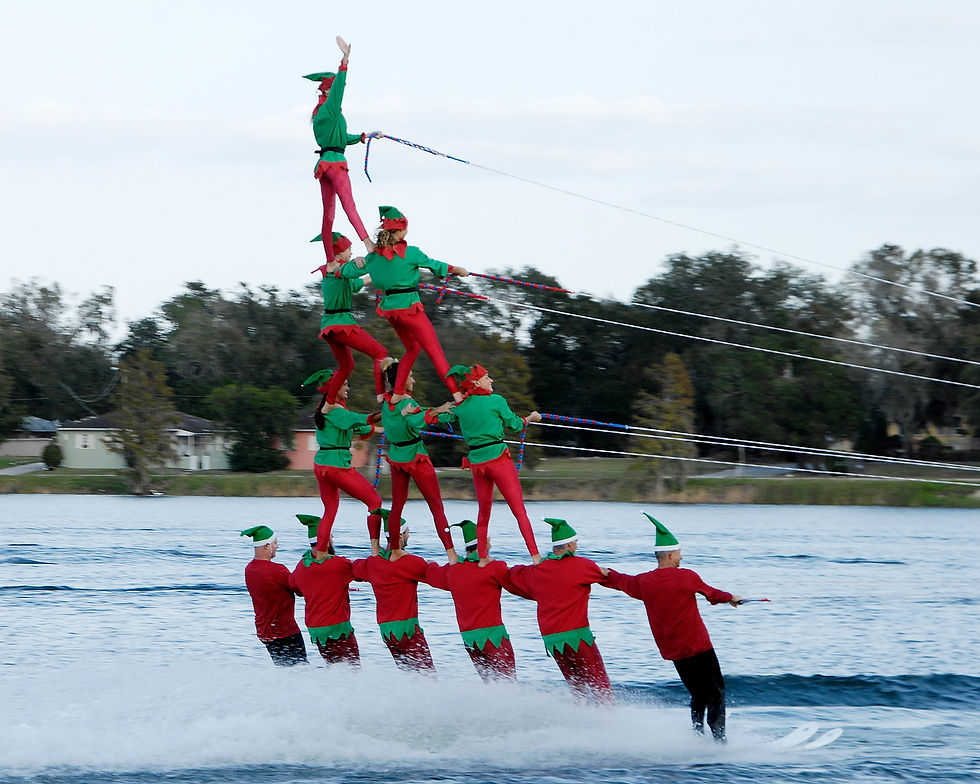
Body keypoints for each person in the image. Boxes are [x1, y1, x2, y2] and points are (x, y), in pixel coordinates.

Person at [602, 514, 742, 741]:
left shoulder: (643, 582)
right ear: (670, 555)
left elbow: (620, 581)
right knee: (716, 693)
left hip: (674, 651)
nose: (681, 557)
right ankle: (719, 740)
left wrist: (604, 572)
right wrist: (731, 598)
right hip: (699, 646)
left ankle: (697, 736)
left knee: (697, 694)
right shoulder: (686, 577)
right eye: (678, 553)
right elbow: (711, 593)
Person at [335, 205, 469, 402]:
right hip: (410, 308)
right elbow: (435, 265)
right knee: (435, 351)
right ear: (400, 230)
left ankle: (397, 393)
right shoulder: (411, 253)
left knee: (413, 348)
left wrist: (354, 262)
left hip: (392, 311)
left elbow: (343, 272)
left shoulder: (373, 258)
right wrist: (458, 270)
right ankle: (457, 395)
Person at [430, 363, 542, 566]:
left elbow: (432, 418)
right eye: (487, 377)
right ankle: (535, 557)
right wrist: (531, 417)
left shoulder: (461, 407)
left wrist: (438, 409)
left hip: (478, 464)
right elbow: (515, 424)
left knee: (483, 512)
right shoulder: (496, 401)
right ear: (476, 382)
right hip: (499, 460)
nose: (491, 380)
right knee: (519, 511)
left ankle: (482, 558)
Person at [508, 518, 614, 704]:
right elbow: (608, 576)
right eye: (576, 542)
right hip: (577, 637)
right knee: (600, 684)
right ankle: (609, 716)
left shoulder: (537, 570)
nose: (576, 546)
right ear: (570, 544)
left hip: (553, 641)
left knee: (578, 688)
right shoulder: (581, 565)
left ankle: (579, 715)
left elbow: (512, 575)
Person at [304, 35, 376, 262]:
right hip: (336, 164)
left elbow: (341, 138)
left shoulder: (320, 115)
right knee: (349, 205)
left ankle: (330, 261)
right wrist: (345, 60)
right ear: (329, 91)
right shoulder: (332, 109)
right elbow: (340, 88)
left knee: (329, 215)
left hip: (324, 164)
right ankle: (369, 244)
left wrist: (364, 136)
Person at [424, 520, 524, 682]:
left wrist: (431, 565)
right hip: (494, 638)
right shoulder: (494, 567)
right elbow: (517, 585)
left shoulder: (453, 571)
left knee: (489, 683)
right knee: (508, 682)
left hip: (470, 640)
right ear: (482, 542)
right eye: (487, 537)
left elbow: (433, 576)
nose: (490, 540)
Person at [379, 359, 457, 562]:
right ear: (402, 380)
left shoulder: (387, 402)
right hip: (415, 456)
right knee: (437, 507)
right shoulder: (408, 403)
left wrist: (442, 411)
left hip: (396, 457)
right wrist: (442, 411)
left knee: (397, 507)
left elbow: (418, 413)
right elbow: (417, 419)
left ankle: (394, 550)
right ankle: (451, 555)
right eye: (411, 376)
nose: (413, 380)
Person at [303, 368, 384, 556]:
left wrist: (380, 429)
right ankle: (375, 551)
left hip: (322, 466)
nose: (348, 388)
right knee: (375, 501)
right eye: (345, 384)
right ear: (334, 387)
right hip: (337, 466)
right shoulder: (334, 409)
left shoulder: (325, 409)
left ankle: (321, 554)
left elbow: (355, 426)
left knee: (330, 511)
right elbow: (358, 419)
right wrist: (388, 411)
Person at [311, 232, 390, 404]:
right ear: (340, 253)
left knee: (347, 366)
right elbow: (353, 270)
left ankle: (328, 404)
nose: (351, 252)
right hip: (341, 324)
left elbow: (356, 283)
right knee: (380, 353)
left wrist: (379, 273)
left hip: (329, 326)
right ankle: (381, 396)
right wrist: (368, 261)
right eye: (349, 249)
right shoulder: (336, 269)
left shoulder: (335, 273)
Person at [351, 515, 436, 674]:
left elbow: (354, 569)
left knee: (409, 676)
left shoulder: (372, 563)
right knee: (427, 675)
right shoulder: (410, 562)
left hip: (387, 632)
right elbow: (437, 578)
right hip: (407, 630)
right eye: (408, 532)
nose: (409, 535)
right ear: (400, 535)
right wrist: (432, 565)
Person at [289, 514, 360, 666]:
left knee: (333, 667)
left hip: (316, 630)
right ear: (326, 540)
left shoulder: (300, 567)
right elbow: (362, 574)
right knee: (353, 670)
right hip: (337, 628)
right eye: (331, 537)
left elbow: (295, 588)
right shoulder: (339, 564)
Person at [241, 524, 307, 665]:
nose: (277, 547)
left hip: (265, 632)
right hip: (285, 631)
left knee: (284, 668)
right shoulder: (277, 570)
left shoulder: (249, 569)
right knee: (302, 669)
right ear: (267, 546)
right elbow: (301, 590)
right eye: (275, 543)